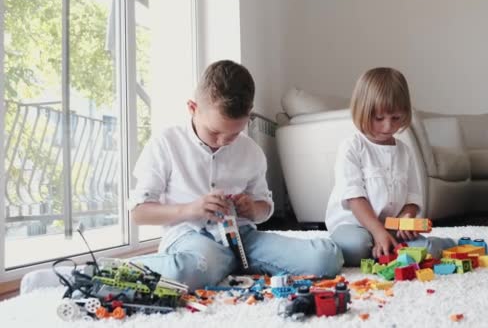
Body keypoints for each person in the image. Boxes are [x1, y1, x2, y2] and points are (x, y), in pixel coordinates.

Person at [129, 60, 343, 289]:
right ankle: (127, 268)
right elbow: (139, 213)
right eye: (214, 132)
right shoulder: (166, 143)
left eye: (233, 134)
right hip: (191, 236)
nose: (222, 142)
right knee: (188, 271)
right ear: (193, 108)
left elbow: (265, 208)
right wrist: (191, 209)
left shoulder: (251, 151)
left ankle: (229, 263)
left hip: (243, 237)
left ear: (248, 116)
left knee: (325, 258)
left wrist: (252, 209)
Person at [325, 67, 455, 266]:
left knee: (426, 250)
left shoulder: (404, 152)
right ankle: (380, 246)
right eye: (379, 119)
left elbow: (413, 197)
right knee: (358, 248)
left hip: (390, 226)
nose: (388, 127)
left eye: (395, 118)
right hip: (353, 225)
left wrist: (407, 216)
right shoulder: (352, 147)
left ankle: (438, 244)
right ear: (363, 112)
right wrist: (377, 232)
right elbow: (355, 198)